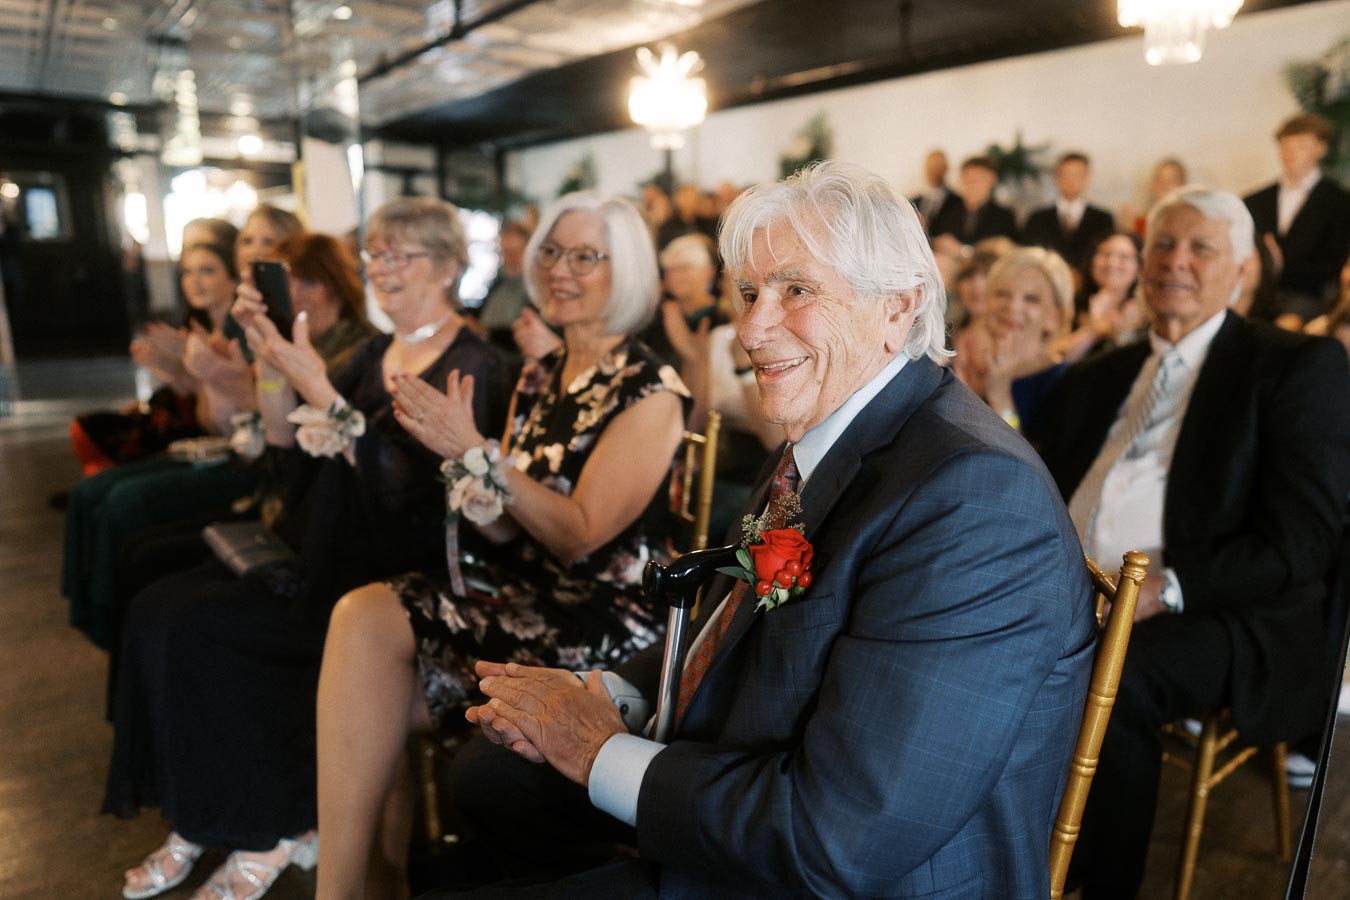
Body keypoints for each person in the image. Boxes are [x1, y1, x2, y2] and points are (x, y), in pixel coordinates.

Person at [441, 161, 1096, 898]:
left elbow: (839, 838)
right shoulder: (829, 427)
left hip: (835, 874)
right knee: (488, 777)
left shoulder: (974, 499)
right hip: (750, 784)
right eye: (749, 293)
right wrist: (605, 695)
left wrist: (596, 751)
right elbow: (737, 621)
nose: (751, 328)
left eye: (797, 290)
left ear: (898, 308)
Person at [107, 197, 510, 900]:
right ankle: (205, 817)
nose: (381, 269)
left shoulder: (473, 362)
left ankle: (270, 822)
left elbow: (402, 493)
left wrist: (318, 384)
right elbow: (288, 447)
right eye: (376, 254)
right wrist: (269, 363)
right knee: (155, 606)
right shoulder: (376, 351)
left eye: (399, 255)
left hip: (392, 571)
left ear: (448, 267)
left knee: (206, 629)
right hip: (324, 545)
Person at [313, 191, 691, 899]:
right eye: (550, 251)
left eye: (587, 256)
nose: (560, 269)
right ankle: (364, 884)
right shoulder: (544, 374)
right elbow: (509, 528)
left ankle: (354, 887)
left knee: (364, 678)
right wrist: (472, 480)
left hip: (605, 626)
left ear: (627, 271)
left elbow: (580, 538)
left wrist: (483, 458)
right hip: (524, 593)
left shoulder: (651, 390)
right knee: (359, 619)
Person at [1028, 187, 1350, 899]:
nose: (1175, 261)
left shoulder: (1294, 366)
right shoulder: (1099, 376)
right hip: (1073, 586)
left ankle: (1093, 883)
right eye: (1161, 246)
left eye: (1200, 247)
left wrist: (1161, 590)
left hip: (1224, 609)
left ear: (1242, 271)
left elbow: (1300, 541)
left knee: (1116, 678)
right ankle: (983, 845)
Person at [1244, 113, 1350, 324]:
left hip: (1310, 296)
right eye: (1286, 147)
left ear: (1320, 149)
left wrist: (1280, 266)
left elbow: (1334, 262)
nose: (1291, 154)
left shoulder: (1340, 203)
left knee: (1286, 328)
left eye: (1300, 146)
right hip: (1258, 294)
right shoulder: (1255, 200)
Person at [974, 246, 1076, 433]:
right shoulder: (962, 367)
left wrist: (1000, 396)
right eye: (1002, 294)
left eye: (1031, 299)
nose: (1013, 306)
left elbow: (1025, 460)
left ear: (1054, 316)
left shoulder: (1065, 383)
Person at [1057, 230, 1146, 364]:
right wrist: (1094, 329)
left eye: (1123, 257)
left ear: (1139, 267)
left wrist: (1123, 332)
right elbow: (1058, 359)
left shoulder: (1146, 311)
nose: (1112, 263)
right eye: (1105, 254)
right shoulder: (1070, 303)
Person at [1022, 152, 1115, 269]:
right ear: (1057, 178)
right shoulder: (1037, 218)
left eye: (1077, 175)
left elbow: (1107, 257)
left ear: (1087, 177)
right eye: (1066, 175)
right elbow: (1028, 256)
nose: (1071, 181)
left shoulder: (1103, 219)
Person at [927, 155, 1017, 245]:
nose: (972, 184)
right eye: (968, 178)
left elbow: (1005, 251)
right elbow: (933, 237)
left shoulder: (1004, 217)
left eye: (978, 179)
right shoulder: (947, 209)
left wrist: (964, 252)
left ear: (993, 180)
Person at [473, 220, 532, 355]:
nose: (506, 258)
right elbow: (482, 311)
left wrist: (484, 331)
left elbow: (522, 334)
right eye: (503, 252)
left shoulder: (532, 290)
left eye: (511, 253)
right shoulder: (500, 280)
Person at [910, 148, 954, 225]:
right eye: (931, 166)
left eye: (938, 166)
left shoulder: (958, 202)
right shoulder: (912, 202)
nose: (934, 171)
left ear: (946, 169)